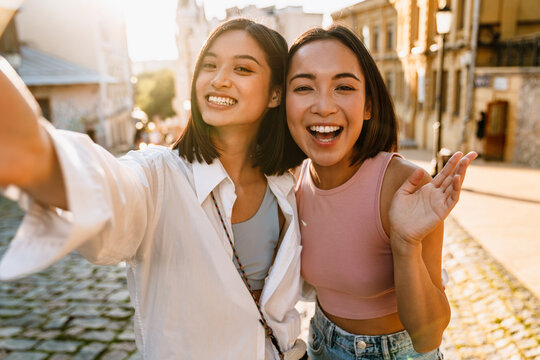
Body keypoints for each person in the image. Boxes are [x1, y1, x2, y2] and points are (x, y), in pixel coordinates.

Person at [0, 19, 307, 359]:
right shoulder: (157, 176)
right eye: (209, 65)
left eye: (242, 68)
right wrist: (36, 157)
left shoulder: (287, 185)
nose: (219, 79)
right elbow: (101, 185)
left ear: (276, 93)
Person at [285, 25, 477, 360]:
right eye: (304, 87)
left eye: (343, 87)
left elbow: (428, 335)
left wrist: (406, 243)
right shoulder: (292, 183)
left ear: (369, 105)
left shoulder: (401, 184)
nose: (324, 106)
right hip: (320, 344)